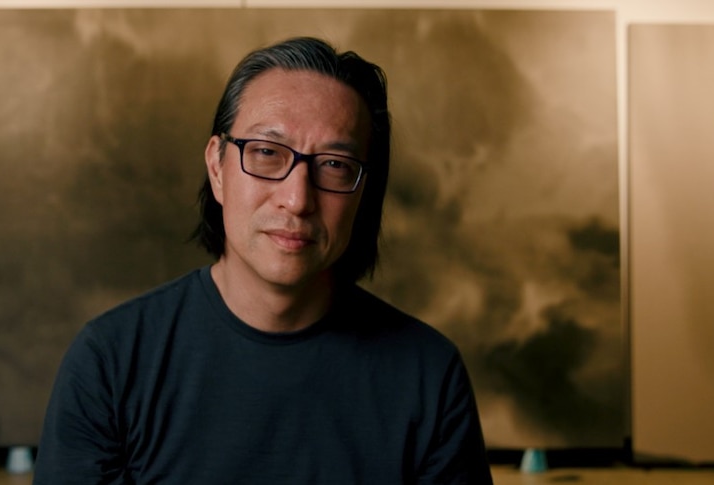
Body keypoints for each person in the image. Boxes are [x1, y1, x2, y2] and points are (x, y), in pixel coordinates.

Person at [34, 36, 493, 484]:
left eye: (334, 164)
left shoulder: (428, 376)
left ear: (363, 193)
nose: (297, 200)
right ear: (217, 167)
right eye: (267, 153)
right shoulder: (111, 363)